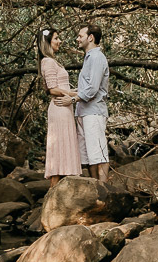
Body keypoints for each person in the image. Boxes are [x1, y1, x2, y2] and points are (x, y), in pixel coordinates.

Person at [37, 28, 81, 187]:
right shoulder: (47, 61)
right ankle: (52, 197)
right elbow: (52, 89)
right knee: (59, 153)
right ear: (47, 43)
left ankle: (60, 195)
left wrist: (75, 92)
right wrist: (71, 93)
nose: (59, 41)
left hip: (65, 108)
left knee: (63, 150)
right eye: (56, 38)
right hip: (59, 108)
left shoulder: (53, 61)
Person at [75, 22, 110, 182]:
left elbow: (92, 88)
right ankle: (95, 189)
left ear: (90, 37)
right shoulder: (88, 58)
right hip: (83, 112)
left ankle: (103, 190)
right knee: (88, 156)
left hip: (94, 112)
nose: (77, 39)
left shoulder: (96, 57)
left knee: (99, 154)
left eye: (80, 36)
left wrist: (72, 98)